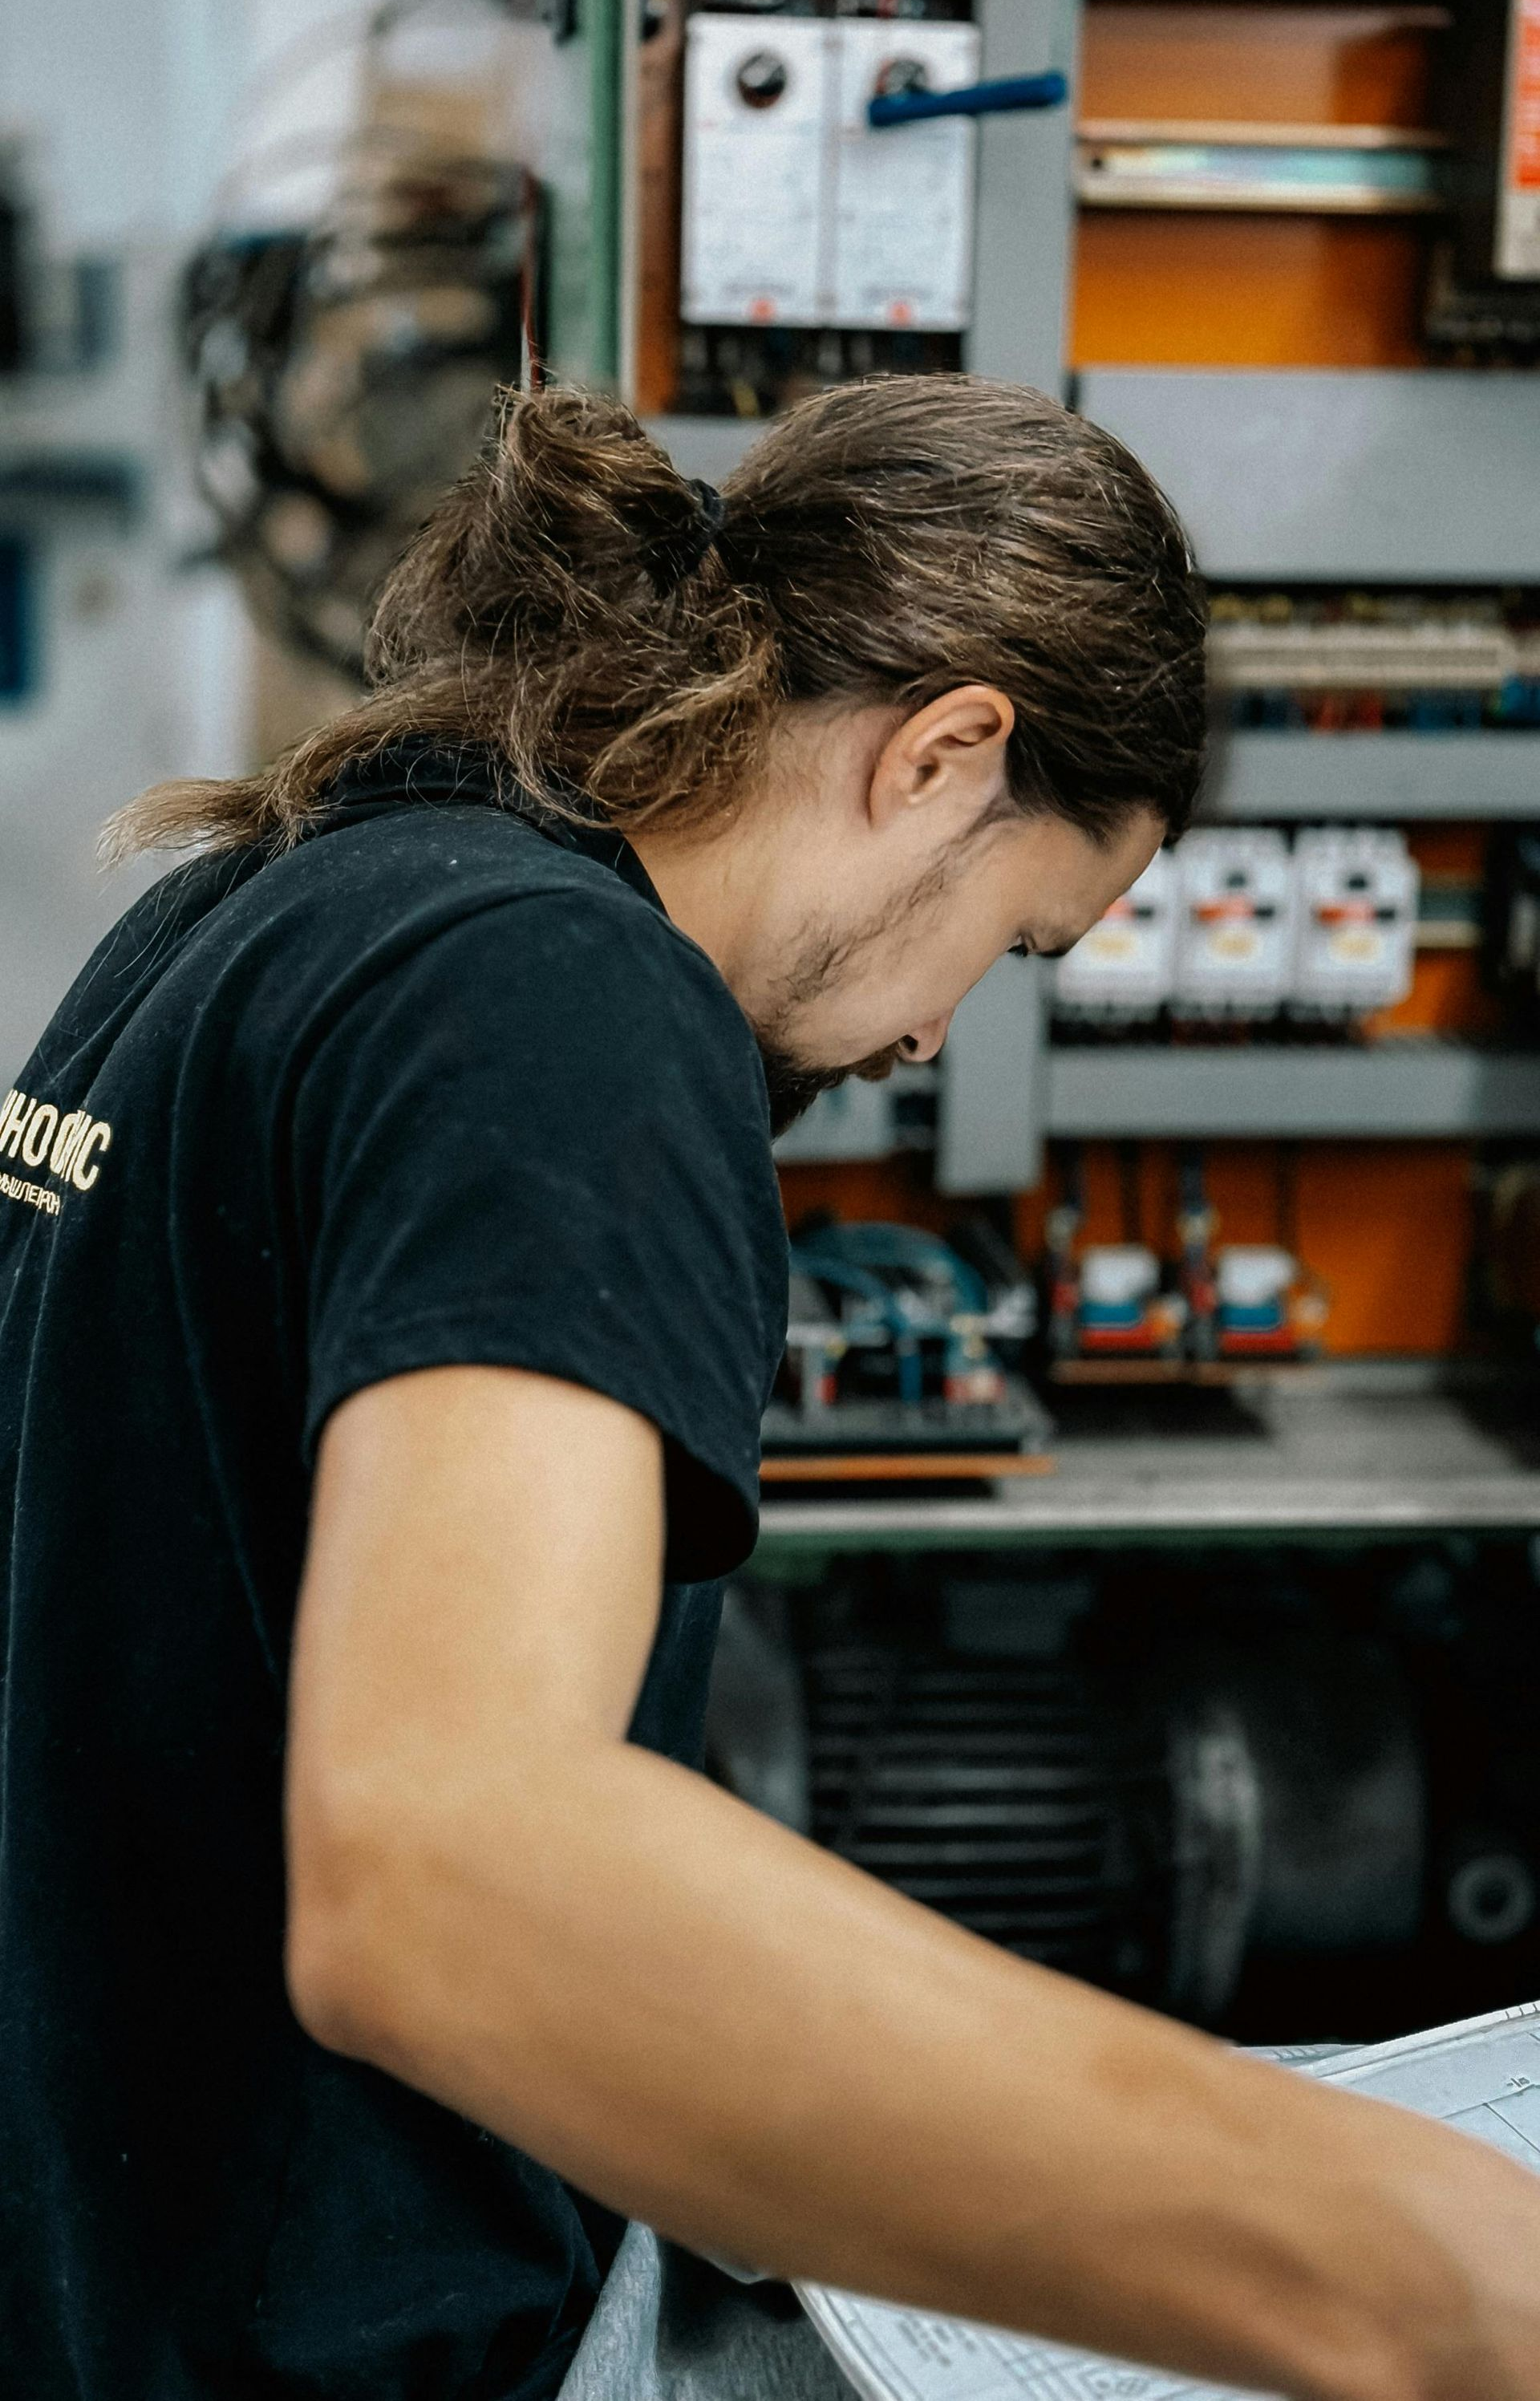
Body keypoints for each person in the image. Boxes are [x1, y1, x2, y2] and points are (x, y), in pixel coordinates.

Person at [1, 373, 1538, 2401]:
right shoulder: (570, 1005)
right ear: (947, 748)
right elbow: (452, 1870)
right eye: (1008, 939)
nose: (926, 1043)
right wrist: (1429, 2265)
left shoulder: (254, 908)